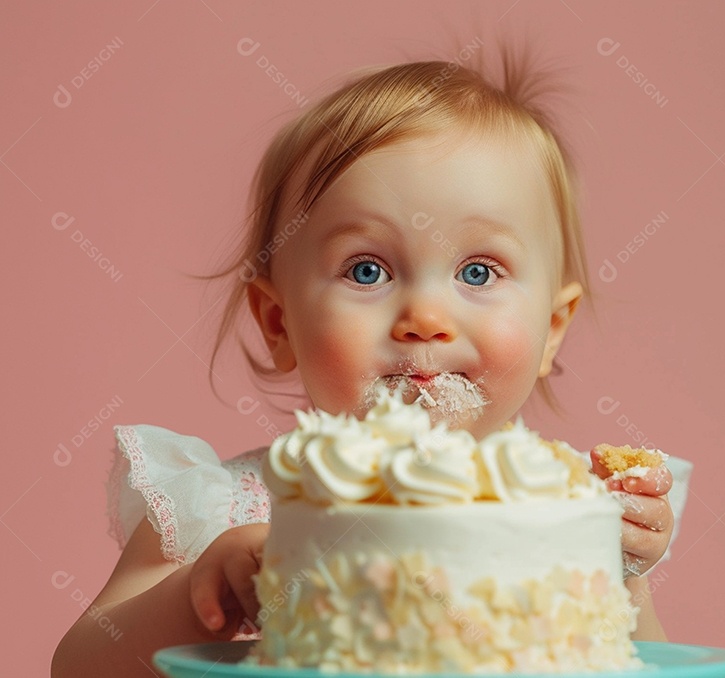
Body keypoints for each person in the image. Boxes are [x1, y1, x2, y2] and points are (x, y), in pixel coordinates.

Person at [53, 48, 692, 678]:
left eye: (477, 271)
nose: (425, 316)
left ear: (552, 329)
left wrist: (618, 573)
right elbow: (80, 666)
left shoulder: (559, 507)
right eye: (368, 270)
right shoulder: (226, 507)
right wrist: (200, 593)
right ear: (280, 323)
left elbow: (638, 664)